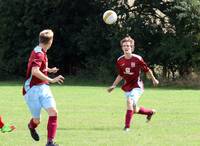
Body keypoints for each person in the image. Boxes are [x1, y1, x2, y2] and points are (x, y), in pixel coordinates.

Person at [107, 36, 159, 131]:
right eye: (124, 46)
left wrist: (154, 79)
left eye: (128, 45)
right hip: (127, 86)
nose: (126, 47)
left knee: (129, 102)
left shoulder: (137, 59)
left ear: (132, 47)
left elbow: (147, 70)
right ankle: (150, 112)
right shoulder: (120, 60)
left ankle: (127, 127)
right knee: (134, 109)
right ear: (122, 48)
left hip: (137, 86)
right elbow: (121, 74)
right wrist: (113, 85)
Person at [22, 29, 64, 146]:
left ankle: (50, 142)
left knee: (53, 112)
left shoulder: (41, 51)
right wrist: (51, 79)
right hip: (31, 90)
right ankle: (31, 126)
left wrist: (49, 70)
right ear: (50, 42)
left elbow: (38, 67)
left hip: (43, 87)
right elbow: (35, 71)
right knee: (37, 120)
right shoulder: (39, 53)